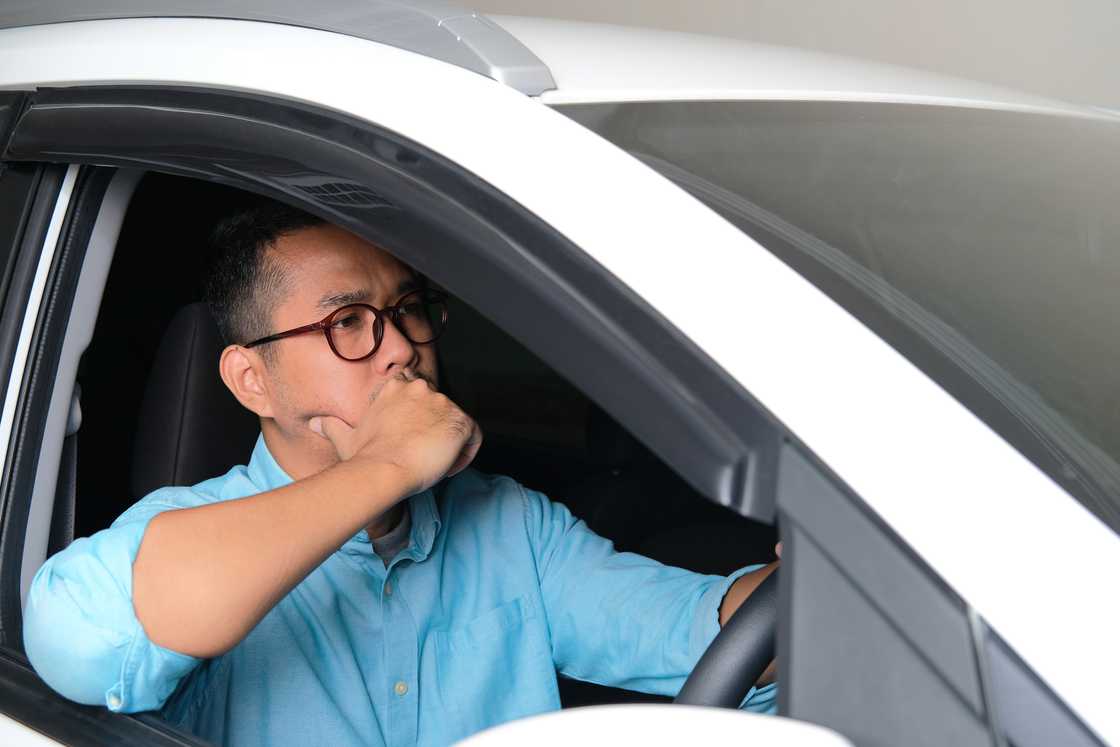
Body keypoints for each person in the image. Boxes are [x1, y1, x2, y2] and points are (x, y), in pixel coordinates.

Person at [23, 200, 779, 746]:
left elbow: (708, 635)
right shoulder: (193, 532)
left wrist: (806, 586)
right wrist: (387, 463)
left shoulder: (511, 525)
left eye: (408, 308)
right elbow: (76, 641)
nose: (400, 350)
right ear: (252, 381)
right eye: (347, 322)